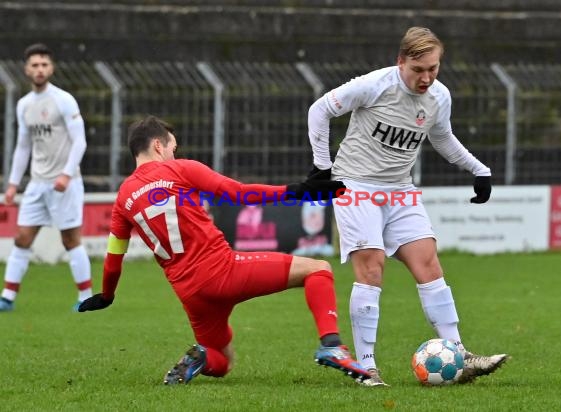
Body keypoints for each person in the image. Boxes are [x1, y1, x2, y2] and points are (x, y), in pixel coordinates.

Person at [77, 115, 371, 385]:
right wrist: (296, 191)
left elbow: (114, 257)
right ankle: (332, 346)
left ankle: (203, 357)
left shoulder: (122, 200)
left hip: (189, 293)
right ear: (157, 145)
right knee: (318, 269)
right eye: (172, 147)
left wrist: (107, 295)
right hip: (223, 270)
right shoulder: (179, 169)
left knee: (223, 361)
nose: (173, 154)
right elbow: (238, 193)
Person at [305, 27, 508, 386]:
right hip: (355, 185)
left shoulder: (439, 96)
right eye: (419, 69)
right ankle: (365, 368)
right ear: (401, 62)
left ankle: (460, 357)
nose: (427, 77)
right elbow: (319, 109)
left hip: (400, 190)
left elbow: (442, 137)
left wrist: (479, 169)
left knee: (428, 263)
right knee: (372, 267)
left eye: (433, 68)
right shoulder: (374, 85)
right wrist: (322, 166)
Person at [0, 43, 92, 312]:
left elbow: (80, 142)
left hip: (65, 183)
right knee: (22, 238)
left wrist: (65, 174)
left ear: (51, 68)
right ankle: (7, 297)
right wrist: (13, 184)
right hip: (37, 184)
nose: (39, 69)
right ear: (26, 69)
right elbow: (23, 146)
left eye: (44, 64)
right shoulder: (24, 105)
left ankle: (85, 297)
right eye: (35, 65)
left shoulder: (63, 100)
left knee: (70, 240)